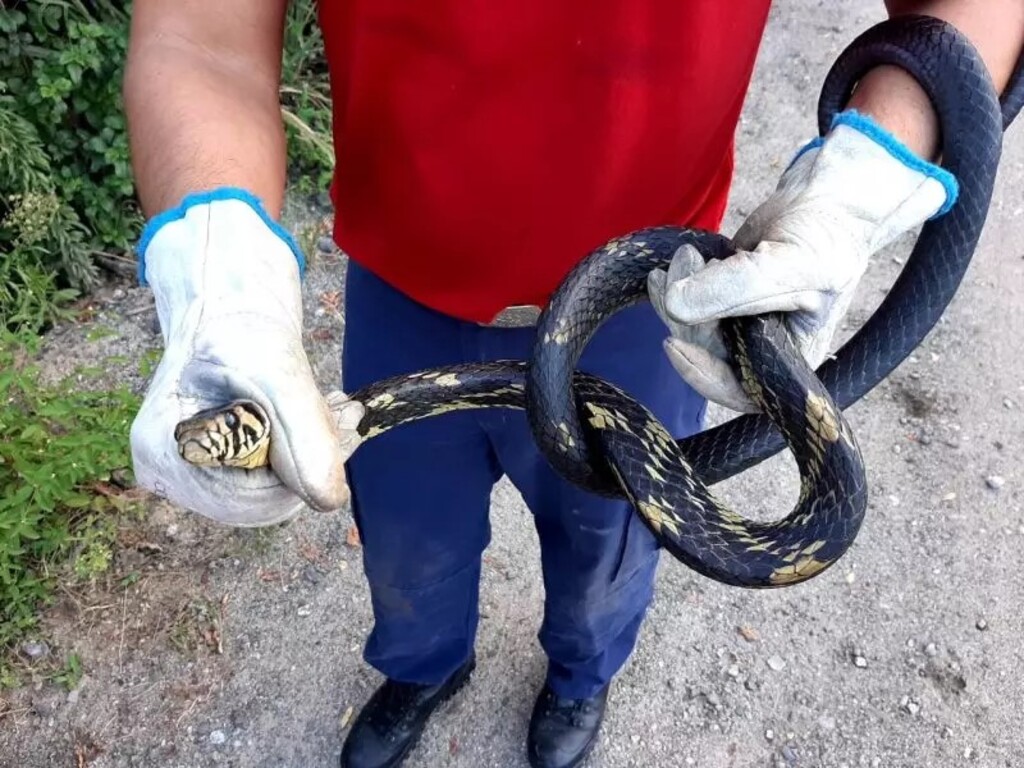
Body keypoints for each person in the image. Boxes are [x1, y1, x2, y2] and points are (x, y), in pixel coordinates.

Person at [122, 2, 1022, 767]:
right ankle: (422, 666)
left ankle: (579, 679)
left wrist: (873, 163)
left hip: (652, 315)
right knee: (404, 541)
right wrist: (213, 266)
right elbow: (200, 35)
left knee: (609, 549)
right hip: (403, 296)